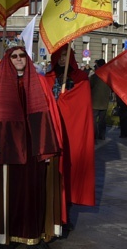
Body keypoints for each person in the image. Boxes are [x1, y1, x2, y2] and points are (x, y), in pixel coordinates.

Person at [0, 44, 61, 247]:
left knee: (32, 188)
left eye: (21, 55)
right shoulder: (0, 83)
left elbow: (48, 113)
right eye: (14, 56)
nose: (18, 59)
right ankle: (9, 231)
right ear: (8, 59)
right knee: (10, 191)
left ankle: (32, 231)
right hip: (9, 146)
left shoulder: (38, 82)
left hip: (33, 146)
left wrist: (46, 144)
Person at [41, 44, 96, 225]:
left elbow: (82, 107)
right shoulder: (47, 78)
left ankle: (66, 215)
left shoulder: (81, 78)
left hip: (71, 131)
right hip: (51, 131)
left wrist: (66, 104)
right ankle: (50, 215)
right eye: (60, 56)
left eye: (67, 55)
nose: (63, 59)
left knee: (69, 172)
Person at [90, 59, 112, 141]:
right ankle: (102, 135)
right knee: (102, 120)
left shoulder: (95, 76)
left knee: (93, 119)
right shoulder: (108, 76)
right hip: (104, 102)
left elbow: (89, 85)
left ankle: (94, 135)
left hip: (95, 102)